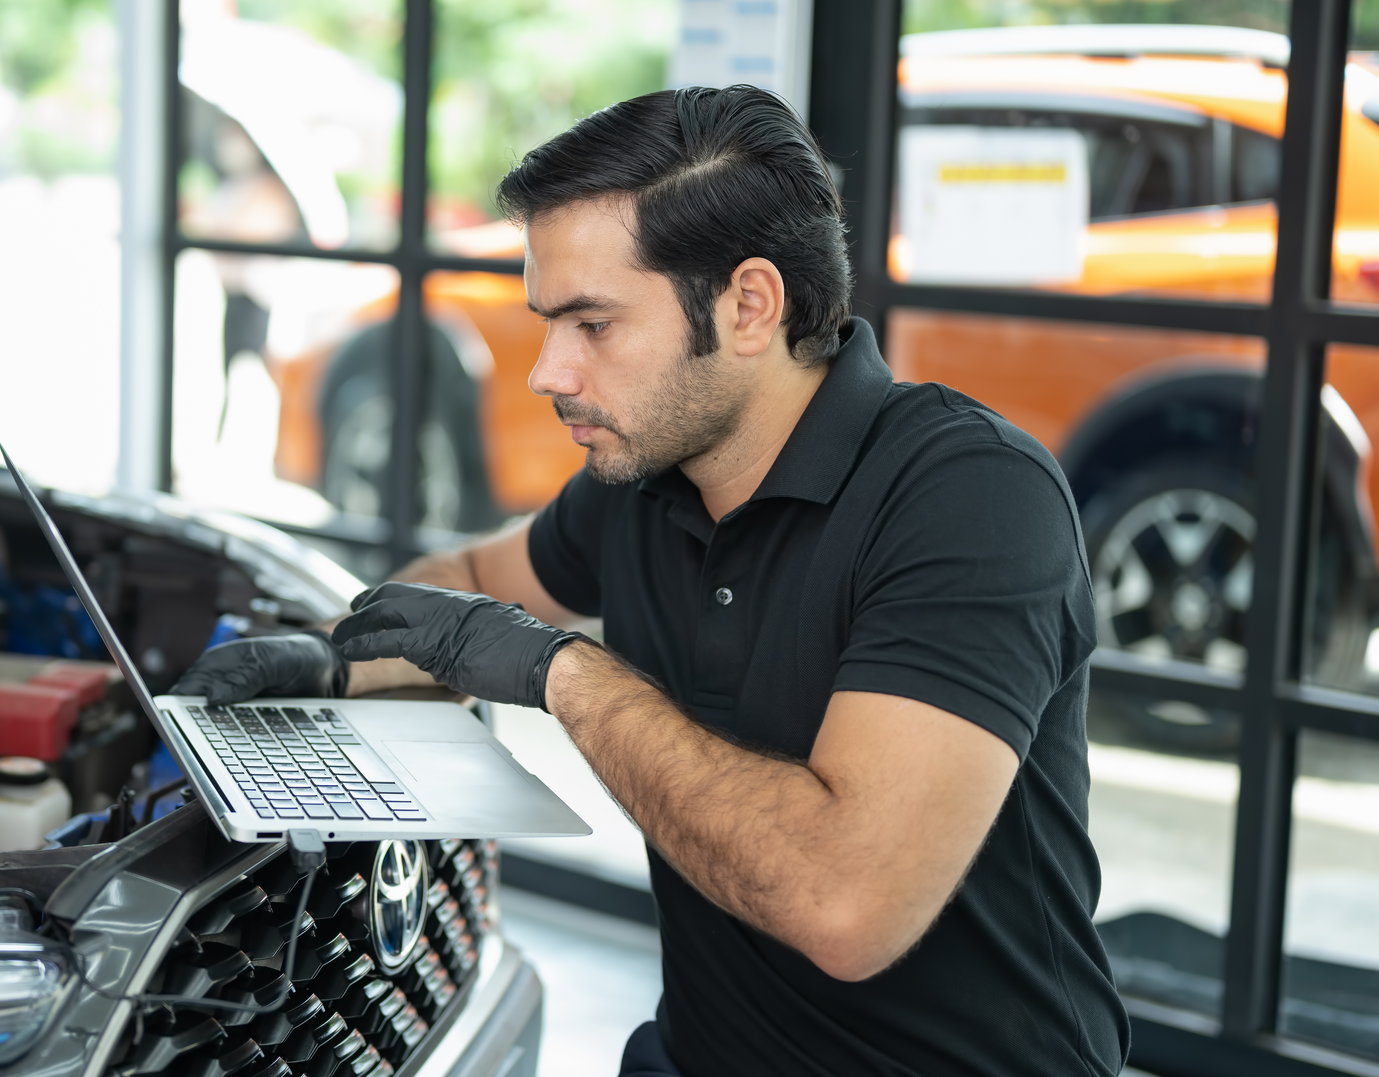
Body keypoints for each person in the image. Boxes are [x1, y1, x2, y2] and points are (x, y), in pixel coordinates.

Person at [174, 85, 1128, 1077]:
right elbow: (460, 584)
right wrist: (330, 665)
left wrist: (563, 673)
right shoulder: (645, 481)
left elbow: (846, 905)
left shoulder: (969, 498)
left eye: (592, 325)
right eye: (548, 323)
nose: (548, 371)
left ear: (748, 306)